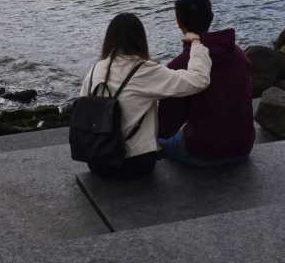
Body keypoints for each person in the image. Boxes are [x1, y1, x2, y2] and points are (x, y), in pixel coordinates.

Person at [78, 12, 212, 179]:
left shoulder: (95, 70)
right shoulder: (143, 70)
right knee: (175, 139)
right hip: (134, 166)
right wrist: (197, 44)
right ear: (140, 39)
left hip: (97, 161)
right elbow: (198, 80)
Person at [157, 0, 255, 167]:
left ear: (178, 22)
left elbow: (166, 126)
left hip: (203, 152)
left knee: (158, 140)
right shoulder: (238, 54)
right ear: (211, 16)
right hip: (244, 147)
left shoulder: (179, 65)